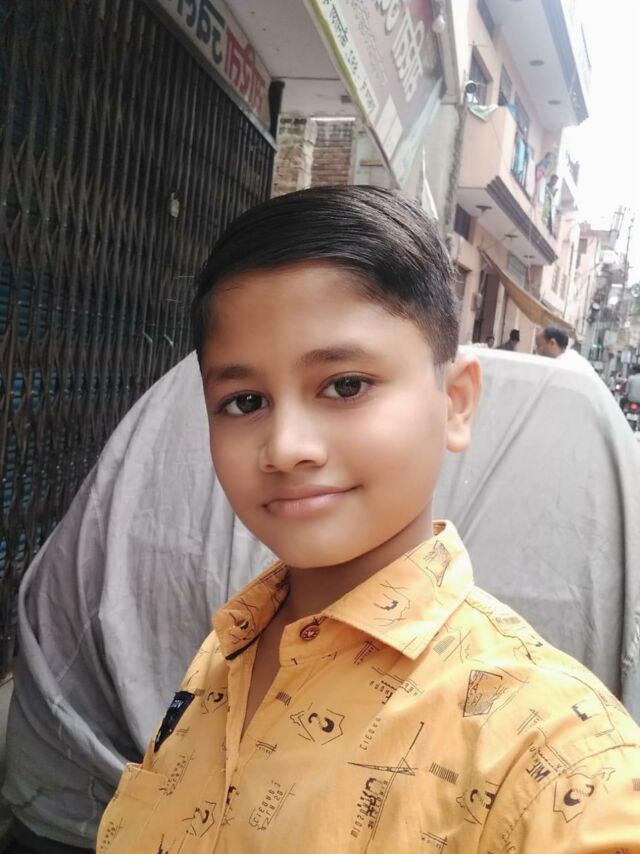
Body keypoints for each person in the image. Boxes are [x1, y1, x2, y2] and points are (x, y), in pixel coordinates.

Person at [96, 187, 640, 852]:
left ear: (457, 403)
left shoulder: (553, 756)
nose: (287, 447)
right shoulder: (229, 650)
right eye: (245, 402)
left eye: (345, 386)